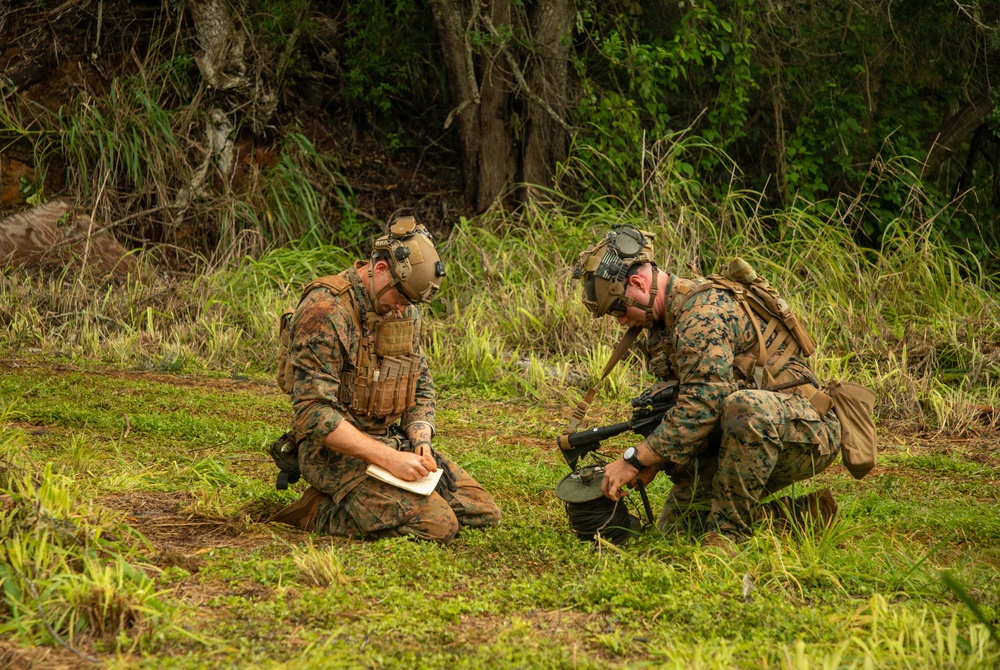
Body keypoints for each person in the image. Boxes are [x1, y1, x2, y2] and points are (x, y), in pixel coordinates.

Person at [571, 226, 840, 548]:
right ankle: (803, 516)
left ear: (638, 284)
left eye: (618, 308)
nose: (620, 321)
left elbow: (703, 403)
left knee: (746, 406)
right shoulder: (662, 325)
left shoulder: (701, 314)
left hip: (802, 428)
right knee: (678, 531)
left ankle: (727, 538)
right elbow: (686, 405)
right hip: (743, 433)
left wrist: (636, 459)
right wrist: (658, 460)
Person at [271, 215, 501, 543]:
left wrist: (421, 441)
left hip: (393, 441)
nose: (401, 310)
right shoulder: (326, 310)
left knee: (482, 511)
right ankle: (316, 512)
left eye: (410, 303)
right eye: (401, 299)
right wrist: (390, 460)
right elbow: (312, 412)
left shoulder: (402, 306)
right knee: (439, 526)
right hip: (334, 453)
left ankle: (366, 501)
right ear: (381, 271)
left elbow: (420, 382)